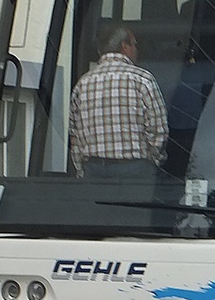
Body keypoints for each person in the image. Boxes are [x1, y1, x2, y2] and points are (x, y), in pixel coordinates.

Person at [68, 22, 168, 181]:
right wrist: (153, 161)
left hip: (94, 170)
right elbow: (158, 130)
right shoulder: (142, 80)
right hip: (135, 169)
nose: (137, 49)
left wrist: (82, 170)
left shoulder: (83, 83)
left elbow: (75, 135)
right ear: (125, 46)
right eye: (134, 44)